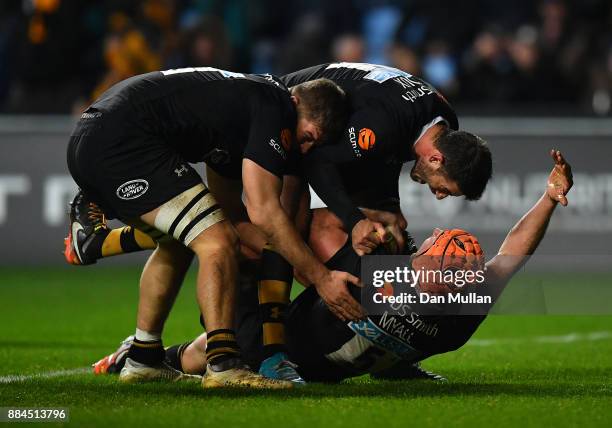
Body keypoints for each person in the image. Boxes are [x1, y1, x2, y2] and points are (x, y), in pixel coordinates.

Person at [93, 150, 572, 382]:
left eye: (430, 262)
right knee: (241, 246)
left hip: (281, 348)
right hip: (311, 353)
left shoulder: (390, 276)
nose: (422, 265)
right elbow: (514, 250)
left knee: (228, 247)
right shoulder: (470, 299)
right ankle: (121, 264)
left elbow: (512, 250)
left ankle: (138, 335)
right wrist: (549, 198)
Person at [66, 66, 362, 388]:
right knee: (216, 241)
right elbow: (264, 214)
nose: (302, 150)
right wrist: (321, 277)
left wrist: (279, 251)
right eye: (307, 138)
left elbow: (233, 216)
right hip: (122, 141)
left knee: (183, 239)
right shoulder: (275, 106)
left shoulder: (238, 115)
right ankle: (223, 366)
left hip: (99, 135)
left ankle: (144, 357)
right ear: (296, 102)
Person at [281, 62, 493, 256]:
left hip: (330, 123)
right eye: (444, 189)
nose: (438, 195)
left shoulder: (443, 122)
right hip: (282, 110)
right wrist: (354, 220)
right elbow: (315, 159)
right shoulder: (380, 127)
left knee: (382, 222)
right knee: (292, 225)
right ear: (436, 159)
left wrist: (389, 205)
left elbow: (391, 151)